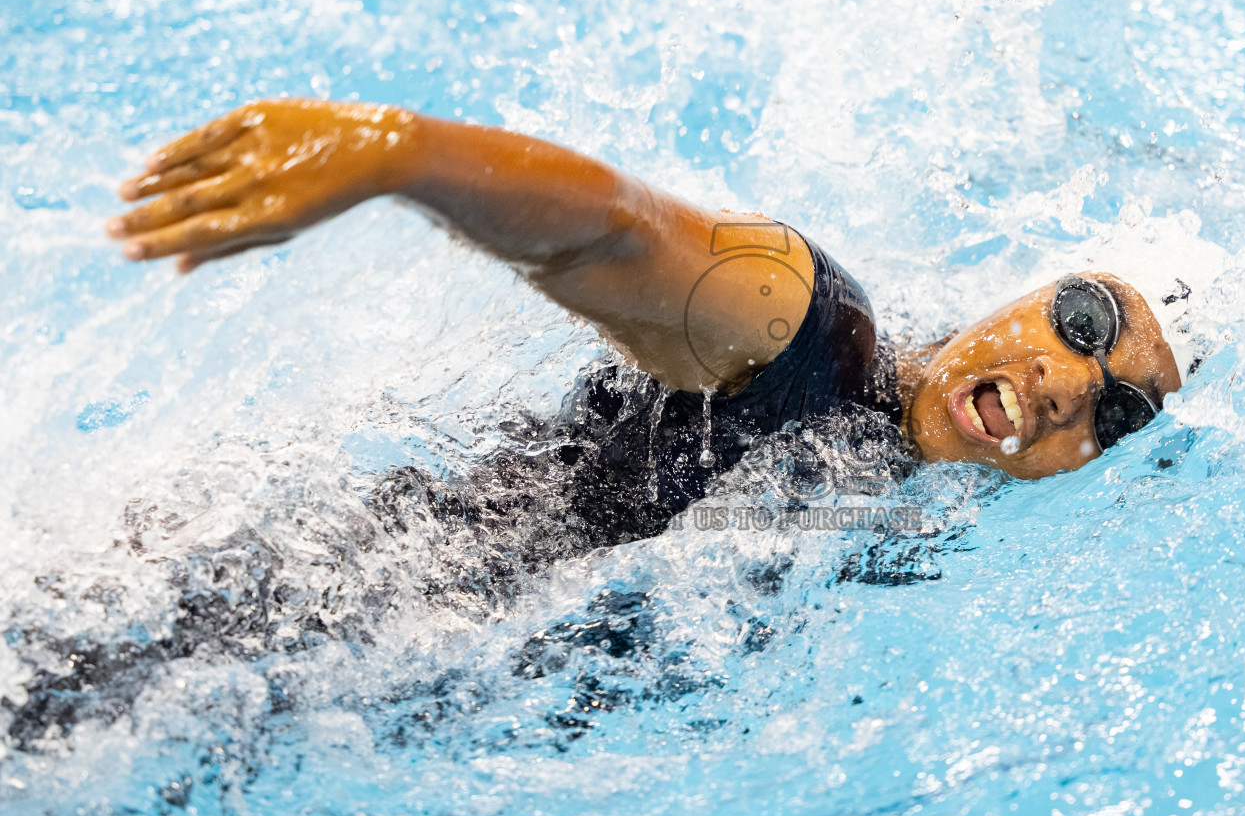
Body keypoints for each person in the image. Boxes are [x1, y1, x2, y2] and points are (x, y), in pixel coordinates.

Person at [107, 99, 1185, 548]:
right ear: (1025, 289)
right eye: (1084, 319)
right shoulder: (818, 340)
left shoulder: (912, 513)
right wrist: (397, 153)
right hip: (319, 608)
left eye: (1124, 412)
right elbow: (616, 234)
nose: (1067, 382)